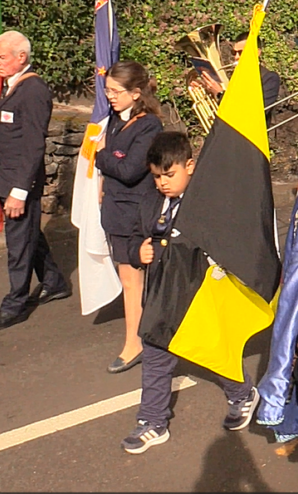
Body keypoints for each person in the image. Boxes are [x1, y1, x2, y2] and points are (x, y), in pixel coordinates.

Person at [120, 131, 260, 453]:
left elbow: (232, 239)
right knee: (155, 355)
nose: (162, 184)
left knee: (211, 351)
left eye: (170, 175)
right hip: (161, 296)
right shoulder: (151, 201)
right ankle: (153, 422)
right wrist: (136, 251)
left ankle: (242, 393)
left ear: (190, 166)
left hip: (198, 294)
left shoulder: (208, 202)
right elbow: (133, 236)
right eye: (157, 177)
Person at [0, 31, 68, 331]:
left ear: (22, 57)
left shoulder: (33, 91)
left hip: (19, 184)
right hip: (5, 179)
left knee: (18, 245)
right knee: (29, 234)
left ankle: (15, 303)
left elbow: (33, 145)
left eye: (2, 57)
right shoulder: (9, 87)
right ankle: (54, 282)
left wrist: (19, 191)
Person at [94, 61, 164, 373]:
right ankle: (139, 336)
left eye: (115, 91)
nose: (109, 96)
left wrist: (101, 156)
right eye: (107, 90)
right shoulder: (113, 119)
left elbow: (129, 169)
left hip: (136, 213)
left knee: (135, 279)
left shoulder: (149, 125)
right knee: (129, 279)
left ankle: (134, 343)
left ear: (136, 93)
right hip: (116, 210)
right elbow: (118, 164)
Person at [201, 31, 282, 123]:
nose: (236, 57)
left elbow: (255, 113)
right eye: (234, 52)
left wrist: (220, 94)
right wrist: (206, 90)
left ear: (257, 52)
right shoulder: (235, 76)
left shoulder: (269, 78)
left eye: (241, 52)